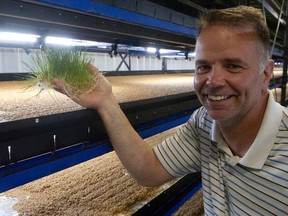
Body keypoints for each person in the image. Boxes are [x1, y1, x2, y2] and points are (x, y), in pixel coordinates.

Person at [54, 5, 288, 215]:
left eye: (233, 66)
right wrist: (106, 101)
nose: (213, 81)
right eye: (203, 67)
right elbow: (149, 170)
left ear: (265, 74)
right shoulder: (204, 123)